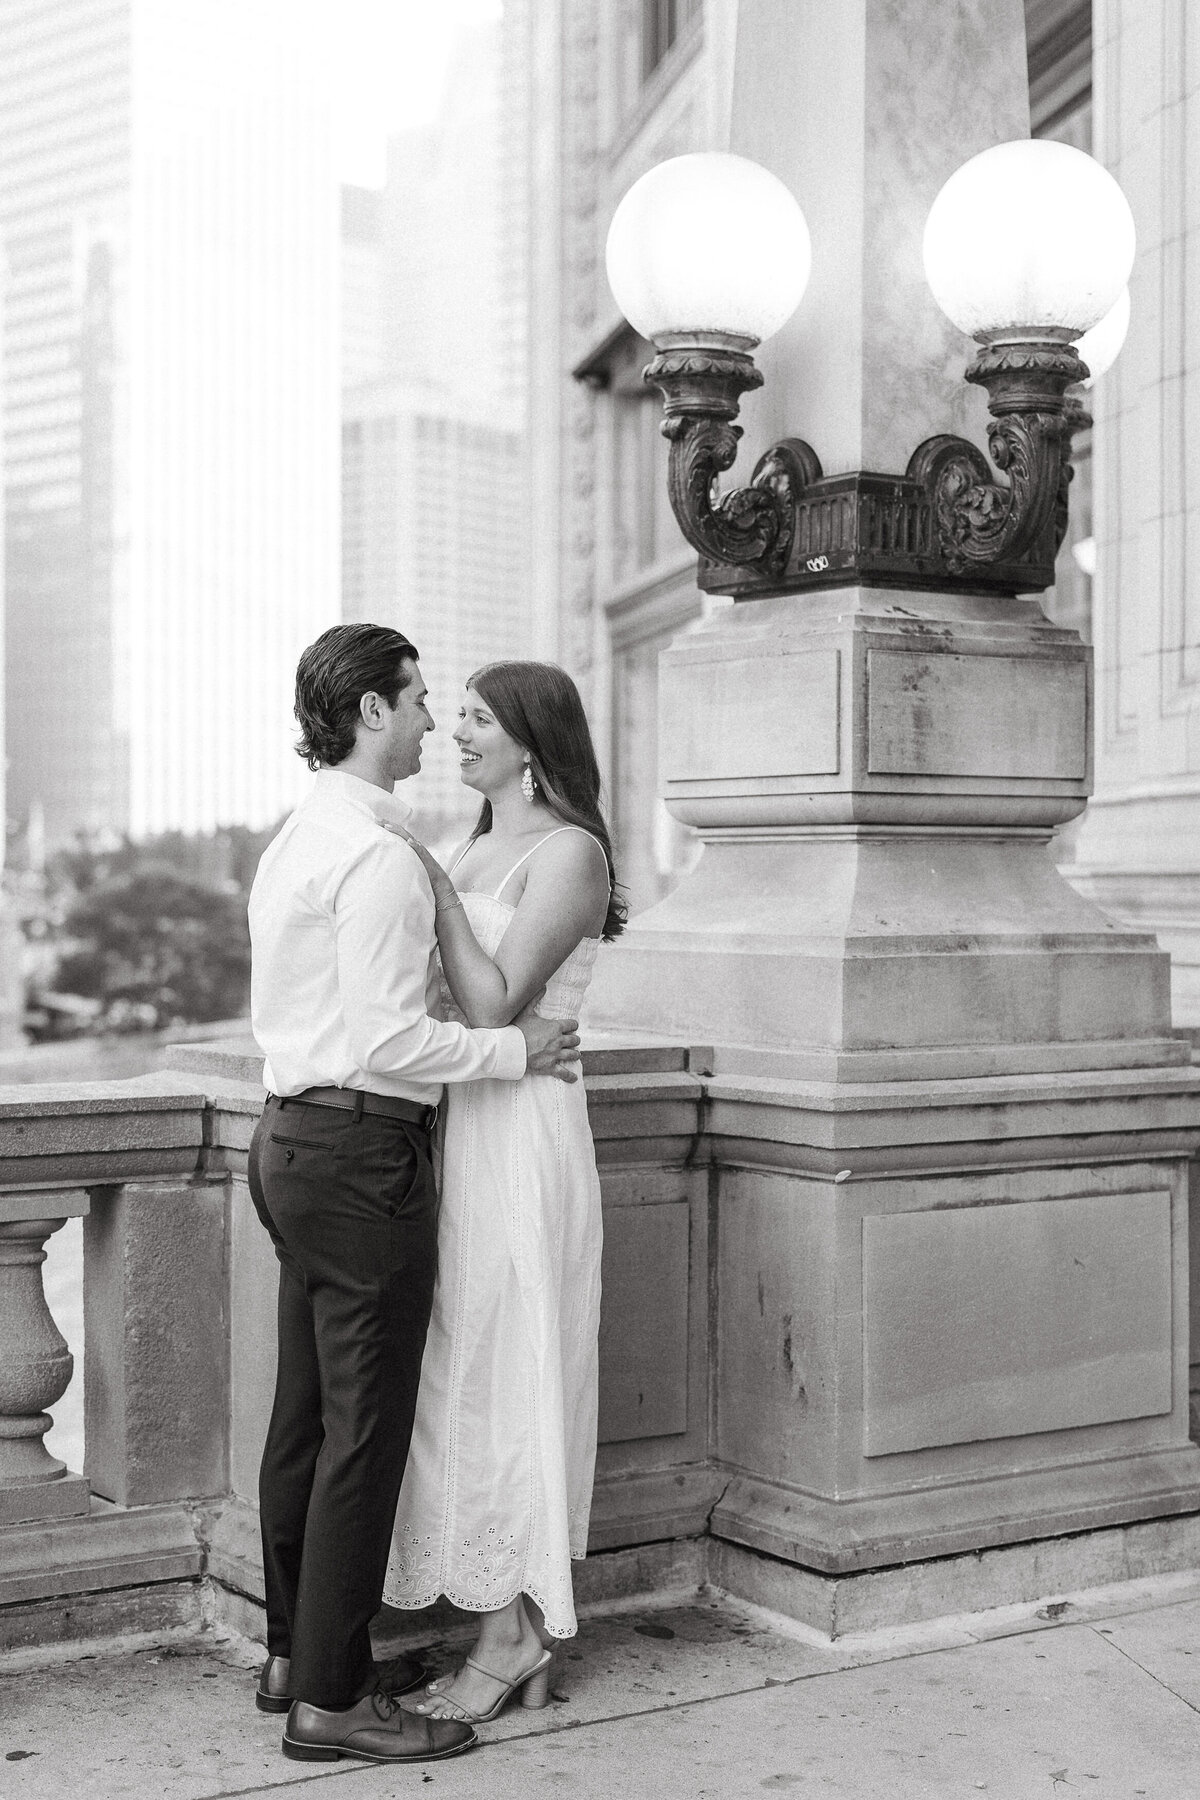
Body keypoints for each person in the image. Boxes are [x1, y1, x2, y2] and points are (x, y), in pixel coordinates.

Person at [245, 625, 581, 1767]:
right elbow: (393, 1034)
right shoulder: (385, 855)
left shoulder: (302, 836)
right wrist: (515, 1055)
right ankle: (334, 1701)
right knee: (363, 1435)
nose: (436, 723)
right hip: (360, 1155)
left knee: (304, 1418)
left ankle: (298, 1656)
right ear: (375, 713)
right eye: (423, 703)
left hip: (291, 1139)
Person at [378, 659, 625, 1726]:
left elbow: (488, 997)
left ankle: (521, 1633)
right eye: (459, 716)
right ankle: (495, 1622)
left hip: (523, 1136)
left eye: (477, 719)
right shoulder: (475, 843)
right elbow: (441, 1003)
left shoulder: (569, 852)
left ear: (531, 738)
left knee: (518, 1364)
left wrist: (430, 886)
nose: (457, 734)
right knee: (462, 1368)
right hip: (462, 1122)